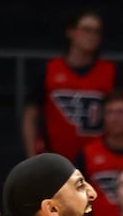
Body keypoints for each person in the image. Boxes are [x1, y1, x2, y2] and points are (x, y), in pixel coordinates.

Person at [23, 11, 114, 162]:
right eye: (86, 29)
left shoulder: (110, 72)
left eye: (97, 31)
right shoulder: (50, 69)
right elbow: (31, 114)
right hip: (54, 158)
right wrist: (31, 156)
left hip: (96, 160)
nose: (92, 35)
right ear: (71, 32)